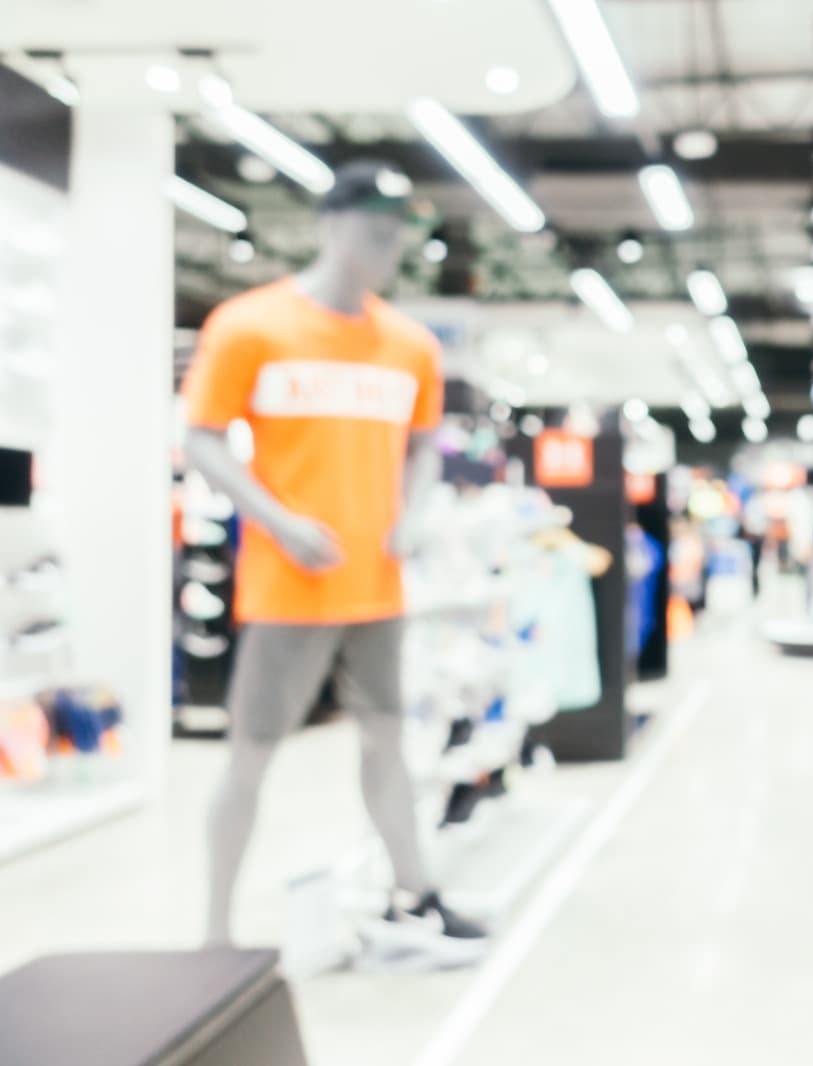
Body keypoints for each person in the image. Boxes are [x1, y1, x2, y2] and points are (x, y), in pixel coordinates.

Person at [183, 160, 487, 963]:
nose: (387, 245)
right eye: (372, 228)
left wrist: (413, 513)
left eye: (397, 232)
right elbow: (202, 439)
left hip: (377, 588)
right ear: (330, 224)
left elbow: (424, 447)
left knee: (386, 742)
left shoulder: (410, 346)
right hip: (289, 587)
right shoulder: (251, 326)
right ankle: (214, 933)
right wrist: (278, 522)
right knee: (250, 755)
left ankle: (415, 897)